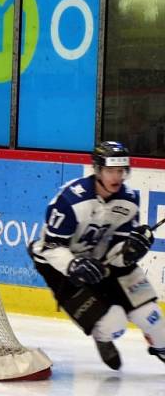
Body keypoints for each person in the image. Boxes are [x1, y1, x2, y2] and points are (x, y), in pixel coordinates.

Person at [29, 141, 165, 370]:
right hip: (60, 265)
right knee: (114, 323)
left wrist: (131, 250)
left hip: (102, 259)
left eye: (121, 171)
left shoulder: (129, 199)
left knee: (153, 318)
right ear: (98, 170)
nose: (116, 177)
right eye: (111, 170)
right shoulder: (71, 201)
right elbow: (50, 247)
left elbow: (118, 249)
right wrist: (73, 264)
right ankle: (103, 338)